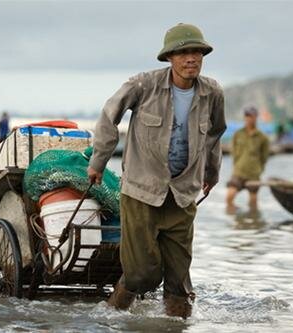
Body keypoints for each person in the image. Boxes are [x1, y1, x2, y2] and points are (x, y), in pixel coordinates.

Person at [87, 23, 226, 318]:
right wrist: (98, 162)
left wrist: (211, 174)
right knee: (142, 277)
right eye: (184, 52)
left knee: (178, 282)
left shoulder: (212, 92)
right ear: (170, 58)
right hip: (141, 192)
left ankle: (176, 325)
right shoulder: (143, 85)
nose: (192, 58)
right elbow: (109, 117)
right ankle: (109, 320)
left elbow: (215, 134)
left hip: (182, 195)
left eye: (197, 52)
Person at [226, 105, 269, 213]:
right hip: (239, 172)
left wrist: (259, 169)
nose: (249, 118)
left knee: (253, 202)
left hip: (254, 173)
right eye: (247, 115)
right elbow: (234, 152)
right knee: (229, 196)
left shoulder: (262, 137)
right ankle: (234, 220)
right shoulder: (238, 134)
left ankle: (252, 221)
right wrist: (236, 166)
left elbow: (264, 157)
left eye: (251, 116)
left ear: (256, 117)